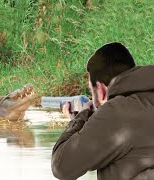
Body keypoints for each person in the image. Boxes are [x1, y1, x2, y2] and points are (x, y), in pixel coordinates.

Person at [51, 42, 154, 180]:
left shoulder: (118, 112)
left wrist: (79, 120)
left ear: (101, 90)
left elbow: (62, 167)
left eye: (91, 92)